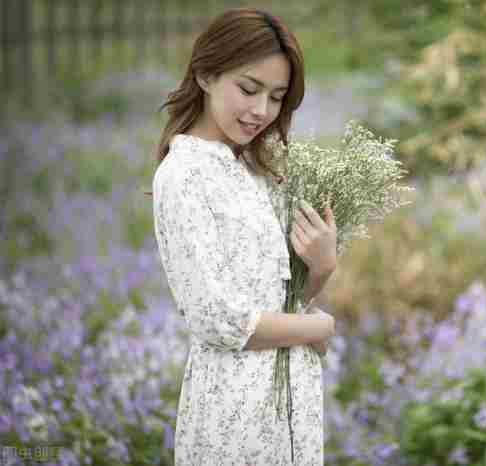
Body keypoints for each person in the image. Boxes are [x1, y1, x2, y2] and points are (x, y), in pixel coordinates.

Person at [149, 8, 337, 465]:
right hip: (233, 411)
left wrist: (322, 266)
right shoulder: (185, 174)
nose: (260, 111)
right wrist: (319, 327)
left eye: (276, 97)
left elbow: (283, 300)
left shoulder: (256, 168)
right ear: (207, 74)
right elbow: (216, 320)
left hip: (292, 405)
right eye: (248, 89)